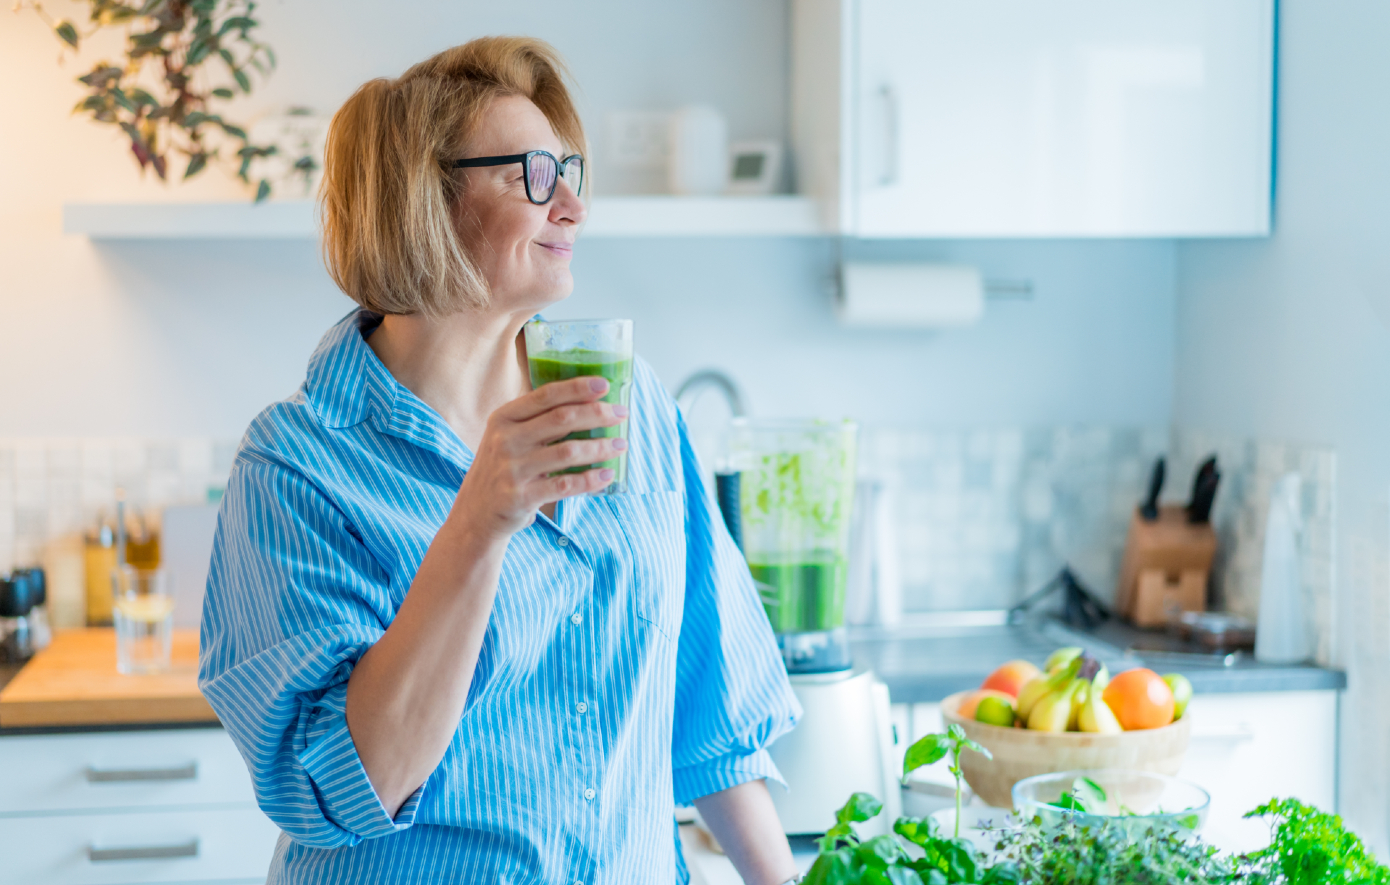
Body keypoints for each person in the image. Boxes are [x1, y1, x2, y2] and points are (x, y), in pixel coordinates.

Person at [198, 36, 803, 885]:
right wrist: (481, 518)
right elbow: (346, 782)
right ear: (425, 198)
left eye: (571, 173)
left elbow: (712, 709)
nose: (572, 208)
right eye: (531, 173)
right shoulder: (297, 463)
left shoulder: (630, 406)